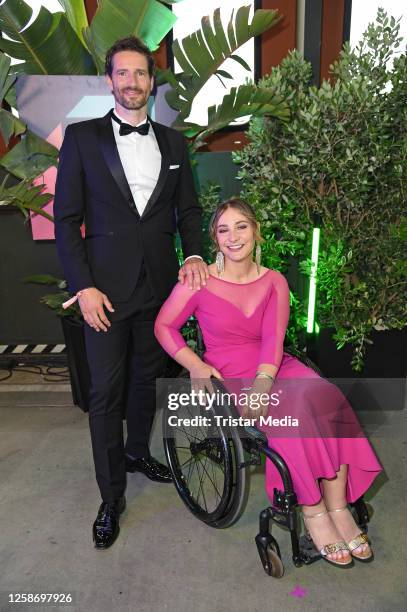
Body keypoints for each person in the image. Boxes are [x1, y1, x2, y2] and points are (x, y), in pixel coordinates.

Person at [154, 198, 383, 568]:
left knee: (329, 398)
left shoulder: (273, 280)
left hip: (272, 365)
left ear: (255, 231)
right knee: (292, 416)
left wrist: (264, 381)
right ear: (214, 238)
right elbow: (163, 326)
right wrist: (194, 364)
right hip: (227, 371)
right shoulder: (199, 281)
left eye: (241, 226)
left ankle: (339, 506)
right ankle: (314, 512)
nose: (233, 237)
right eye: (223, 229)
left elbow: (273, 341)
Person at [53, 36, 209, 549]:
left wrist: (192, 254)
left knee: (147, 380)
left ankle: (138, 452)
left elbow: (187, 210)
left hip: (160, 289)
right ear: (110, 80)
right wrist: (84, 287)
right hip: (104, 292)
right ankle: (110, 495)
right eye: (123, 74)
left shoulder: (174, 143)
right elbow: (67, 221)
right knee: (104, 394)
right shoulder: (82, 137)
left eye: (141, 74)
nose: (133, 83)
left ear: (151, 80)